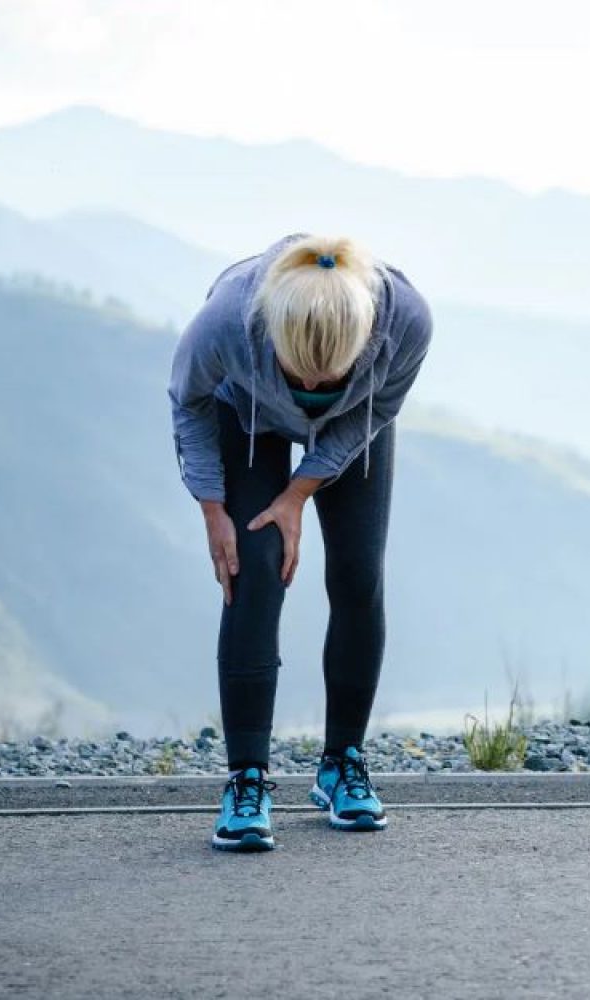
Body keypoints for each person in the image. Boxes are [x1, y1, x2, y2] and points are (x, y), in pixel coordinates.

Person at [168, 232, 433, 851]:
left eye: (328, 377)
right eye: (299, 375)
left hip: (356, 423)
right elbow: (188, 404)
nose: (312, 388)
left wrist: (297, 494)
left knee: (358, 573)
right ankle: (247, 779)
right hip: (247, 415)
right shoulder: (225, 322)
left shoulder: (407, 323)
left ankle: (342, 762)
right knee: (252, 565)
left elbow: (381, 411)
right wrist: (213, 509)